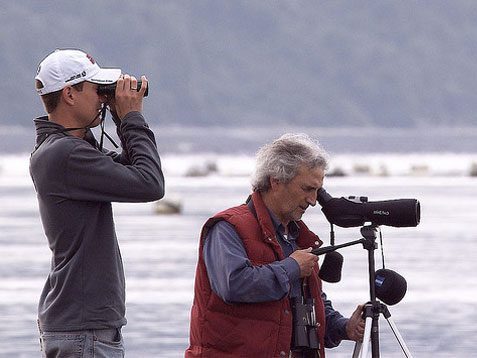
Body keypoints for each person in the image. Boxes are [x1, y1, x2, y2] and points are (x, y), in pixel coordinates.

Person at [30, 48, 165, 357]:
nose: (103, 98)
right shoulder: (66, 155)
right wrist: (131, 117)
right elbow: (150, 183)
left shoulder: (66, 150)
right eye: (96, 89)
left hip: (82, 326)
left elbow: (133, 172)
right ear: (69, 94)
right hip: (84, 330)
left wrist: (120, 117)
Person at [186, 133, 365, 357]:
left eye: (317, 191)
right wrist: (292, 267)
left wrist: (344, 327)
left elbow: (307, 307)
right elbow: (234, 284)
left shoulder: (299, 236)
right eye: (307, 189)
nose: (312, 200)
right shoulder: (227, 227)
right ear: (276, 181)